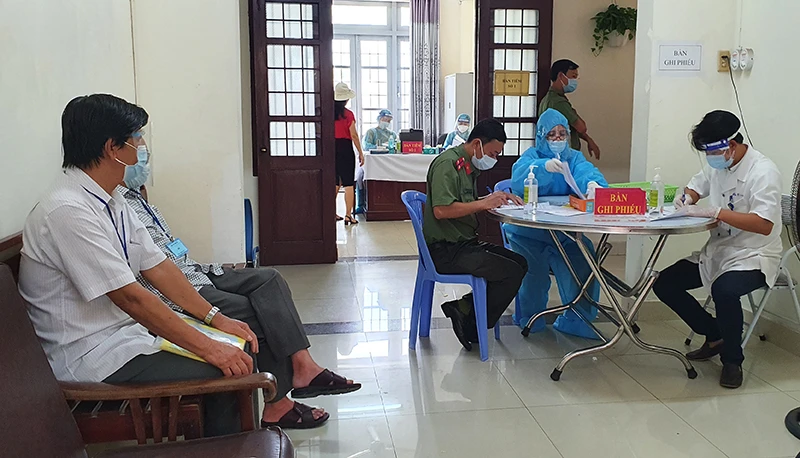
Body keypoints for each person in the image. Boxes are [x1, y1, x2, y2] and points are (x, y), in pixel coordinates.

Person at [19, 94, 258, 437]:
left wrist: (216, 319)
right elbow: (131, 298)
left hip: (125, 337)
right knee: (229, 371)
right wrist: (210, 348)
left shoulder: (112, 198)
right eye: (136, 137)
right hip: (91, 355)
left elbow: (158, 266)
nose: (142, 145)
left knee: (238, 344)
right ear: (112, 148)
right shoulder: (66, 211)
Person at [119, 177, 360, 428]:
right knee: (254, 313)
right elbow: (150, 274)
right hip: (178, 290)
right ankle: (277, 405)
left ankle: (303, 365)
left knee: (270, 280)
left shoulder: (134, 194)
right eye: (136, 151)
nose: (141, 158)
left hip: (195, 271)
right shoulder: (112, 205)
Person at [653, 110, 782, 389]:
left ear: (731, 145)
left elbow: (764, 224)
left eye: (711, 152)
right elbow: (695, 187)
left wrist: (717, 212)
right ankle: (714, 334)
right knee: (664, 283)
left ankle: (732, 361)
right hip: (719, 250)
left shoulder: (763, 171)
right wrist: (687, 198)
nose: (710, 158)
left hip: (755, 254)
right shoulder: (719, 163)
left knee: (725, 290)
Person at [423, 118, 528, 350]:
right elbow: (441, 210)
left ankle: (463, 308)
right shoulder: (448, 164)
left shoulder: (467, 165)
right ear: (477, 143)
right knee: (510, 273)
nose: (494, 159)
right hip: (446, 250)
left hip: (463, 243)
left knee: (520, 263)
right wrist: (483, 204)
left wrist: (494, 199)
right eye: (493, 153)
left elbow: (463, 202)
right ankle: (472, 327)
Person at [505, 109, 607, 339]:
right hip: (528, 232)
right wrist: (543, 167)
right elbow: (519, 178)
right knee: (532, 272)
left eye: (562, 133)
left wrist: (594, 185)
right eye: (552, 134)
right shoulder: (531, 156)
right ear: (542, 136)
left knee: (583, 259)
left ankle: (577, 320)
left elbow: (586, 172)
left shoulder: (574, 157)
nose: (558, 138)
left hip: (565, 231)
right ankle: (531, 318)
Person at [538, 59, 601, 160]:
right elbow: (581, 127)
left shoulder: (547, 100)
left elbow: (573, 126)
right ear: (561, 76)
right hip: (562, 156)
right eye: (573, 76)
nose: (575, 81)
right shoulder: (559, 103)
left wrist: (588, 139)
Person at [334, 82, 364, 225]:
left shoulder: (327, 113)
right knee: (348, 183)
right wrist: (360, 152)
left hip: (331, 148)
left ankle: (330, 212)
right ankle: (348, 215)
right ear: (346, 99)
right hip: (345, 148)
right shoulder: (348, 114)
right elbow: (354, 135)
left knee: (334, 182)